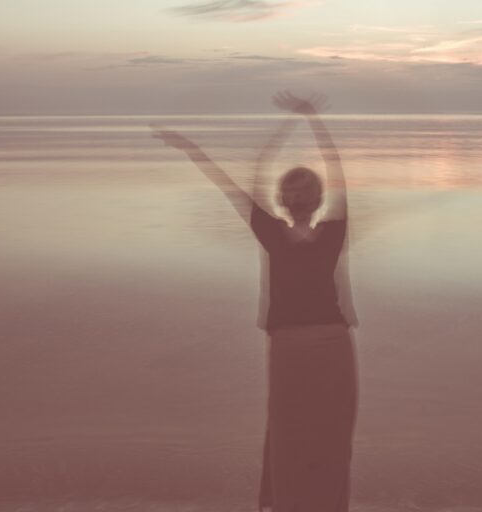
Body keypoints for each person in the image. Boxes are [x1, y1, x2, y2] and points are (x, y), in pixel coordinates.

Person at [152, 91, 358, 512]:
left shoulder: (334, 231)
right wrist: (190, 148)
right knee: (287, 433)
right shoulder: (270, 231)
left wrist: (312, 120)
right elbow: (233, 179)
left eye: (305, 192)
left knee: (333, 434)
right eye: (292, 192)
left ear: (317, 199)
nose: (298, 199)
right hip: (288, 346)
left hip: (334, 345)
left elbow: (336, 172)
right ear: (284, 199)